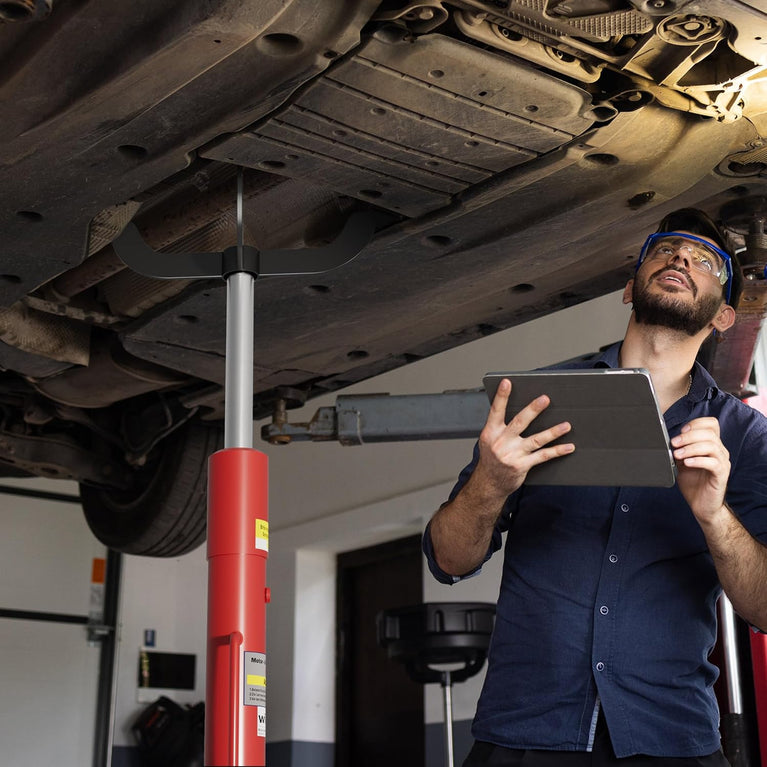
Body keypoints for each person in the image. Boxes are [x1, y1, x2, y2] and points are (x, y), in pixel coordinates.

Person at [423, 208, 767, 766]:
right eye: (664, 249)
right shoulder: (539, 403)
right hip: (524, 734)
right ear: (629, 289)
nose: (680, 258)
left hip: (670, 737)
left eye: (705, 260)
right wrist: (490, 480)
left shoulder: (746, 439)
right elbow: (449, 559)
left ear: (725, 316)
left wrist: (714, 516)